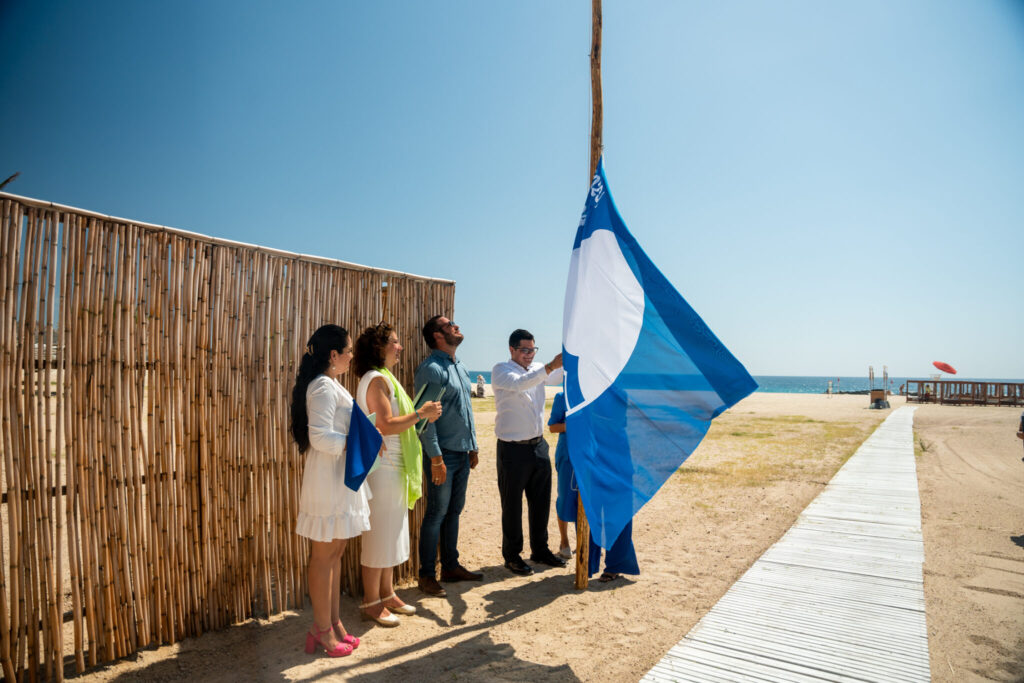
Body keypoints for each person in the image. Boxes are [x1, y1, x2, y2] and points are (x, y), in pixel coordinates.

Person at [354, 323, 442, 626]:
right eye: (395, 342)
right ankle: (370, 601)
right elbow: (385, 425)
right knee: (379, 534)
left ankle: (387, 593)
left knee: (391, 533)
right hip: (385, 468)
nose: (400, 347)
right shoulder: (376, 379)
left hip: (395, 467)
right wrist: (421, 413)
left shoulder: (384, 378)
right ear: (380, 347)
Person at [290, 324, 365, 657]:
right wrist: (357, 443)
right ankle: (320, 629)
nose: (351, 357)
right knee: (323, 558)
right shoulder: (321, 386)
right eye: (348, 351)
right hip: (328, 478)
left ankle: (333, 623)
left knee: (335, 554)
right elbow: (319, 436)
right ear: (333, 355)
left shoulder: (333, 384)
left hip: (340, 476)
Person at [414, 315, 483, 596]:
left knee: (454, 512)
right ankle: (426, 575)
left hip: (463, 452)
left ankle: (451, 567)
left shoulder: (461, 367)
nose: (456, 326)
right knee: (436, 514)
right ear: (437, 335)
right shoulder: (431, 369)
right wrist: (436, 458)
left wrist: (474, 446)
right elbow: (424, 421)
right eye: (449, 325)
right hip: (443, 455)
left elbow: (465, 409)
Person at [491, 329, 565, 575]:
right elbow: (519, 384)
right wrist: (549, 367)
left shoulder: (539, 369)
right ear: (512, 350)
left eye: (532, 350)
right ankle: (512, 556)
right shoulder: (501, 370)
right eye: (524, 350)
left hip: (538, 446)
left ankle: (540, 550)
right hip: (512, 449)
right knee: (512, 506)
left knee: (541, 503)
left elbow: (562, 375)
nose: (529, 355)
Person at [548, 390, 640, 583]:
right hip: (585, 458)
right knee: (589, 510)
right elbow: (555, 426)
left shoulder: (617, 393)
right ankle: (587, 563)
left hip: (615, 455)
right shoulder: (568, 395)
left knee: (618, 511)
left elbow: (618, 422)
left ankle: (616, 565)